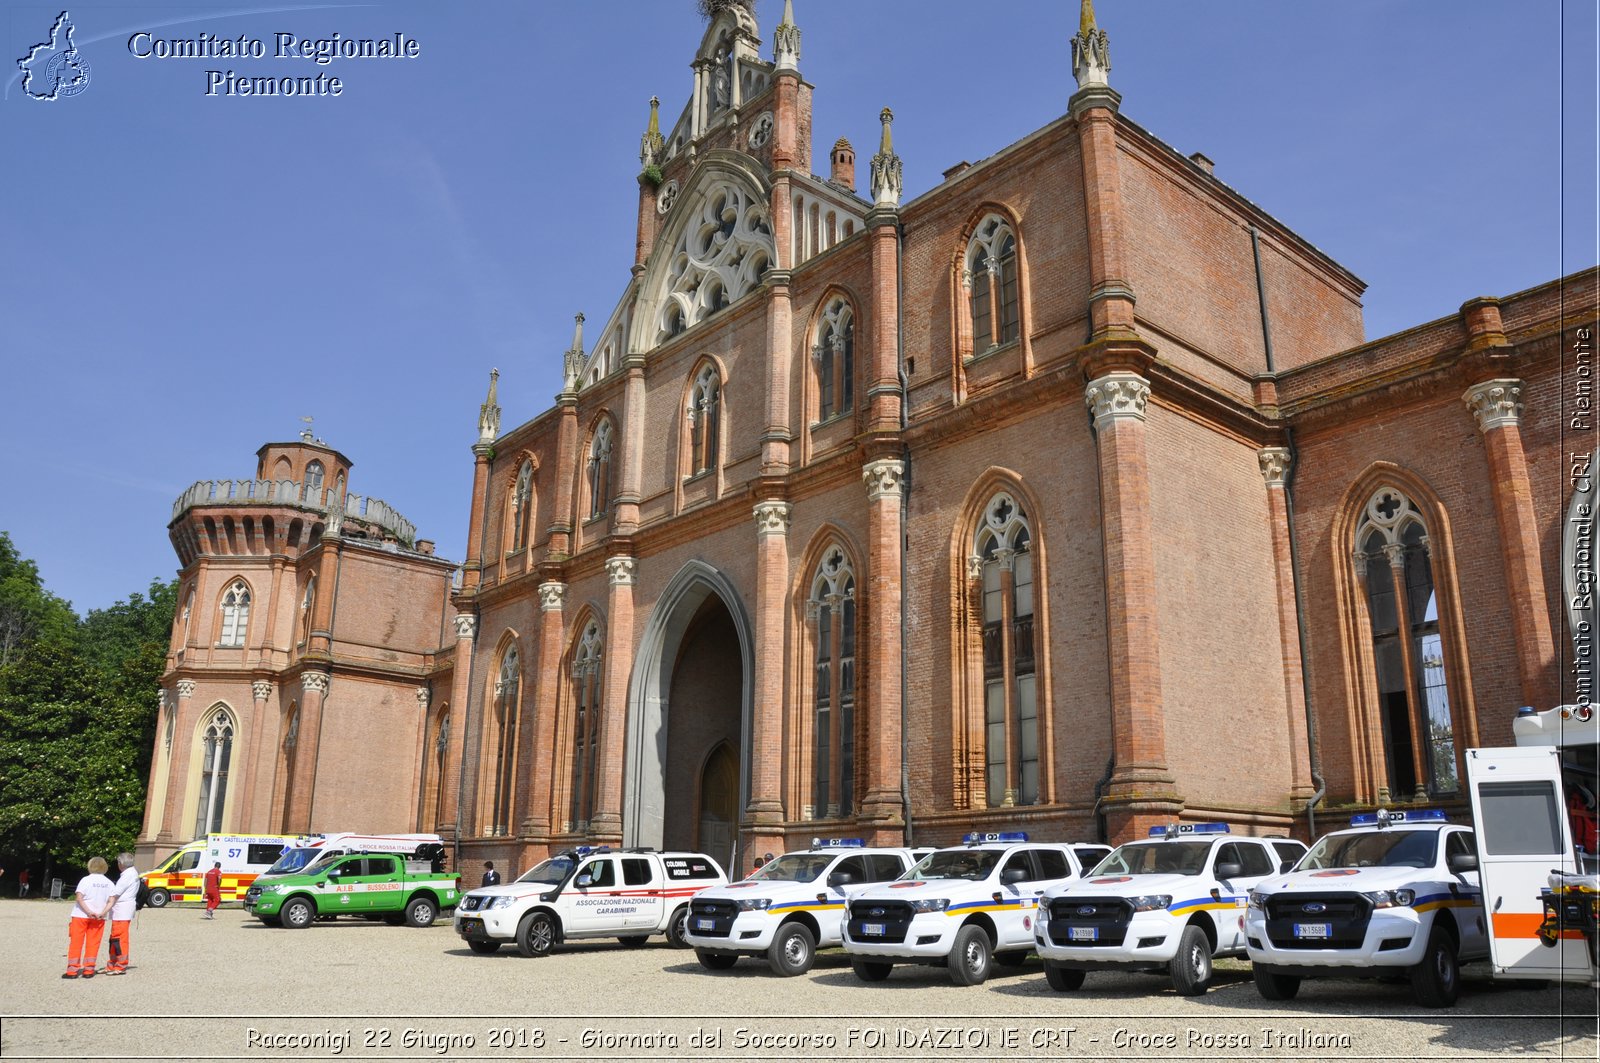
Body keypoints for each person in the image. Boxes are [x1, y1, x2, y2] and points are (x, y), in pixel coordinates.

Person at [65, 857, 115, 978]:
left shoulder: (85, 880)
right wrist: (103, 912)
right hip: (99, 917)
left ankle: (72, 970)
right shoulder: (109, 882)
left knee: (76, 942)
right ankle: (89, 969)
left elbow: (79, 898)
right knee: (93, 943)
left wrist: (88, 911)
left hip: (81, 915)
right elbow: (111, 900)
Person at [106, 853, 138, 974]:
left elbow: (115, 894)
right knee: (115, 938)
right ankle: (113, 964)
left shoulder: (126, 876)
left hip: (122, 910)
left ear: (121, 864)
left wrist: (103, 910)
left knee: (118, 939)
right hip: (124, 910)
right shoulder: (132, 872)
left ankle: (120, 965)